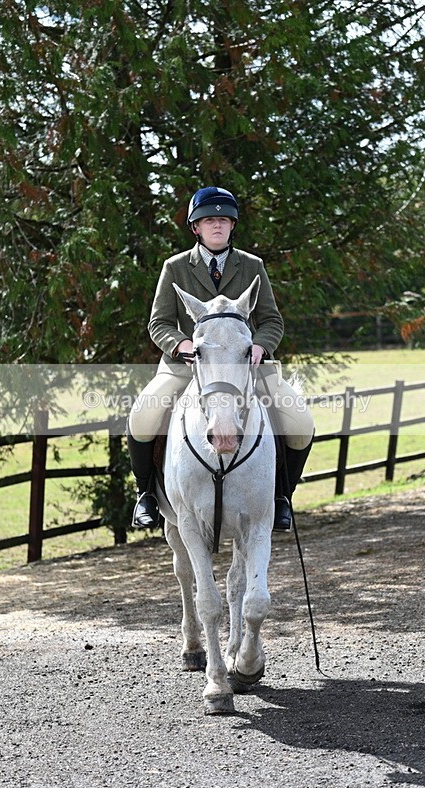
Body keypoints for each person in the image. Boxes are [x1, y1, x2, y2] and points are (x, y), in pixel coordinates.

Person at [127, 186, 314, 531]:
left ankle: (281, 497)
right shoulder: (176, 267)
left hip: (247, 366)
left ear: (232, 225)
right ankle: (146, 495)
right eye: (209, 220)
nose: (217, 226)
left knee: (301, 424)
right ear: (196, 227)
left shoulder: (252, 266)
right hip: (187, 367)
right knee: (143, 415)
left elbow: (272, 319)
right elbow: (159, 322)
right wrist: (181, 345)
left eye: (224, 220)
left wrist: (260, 345)